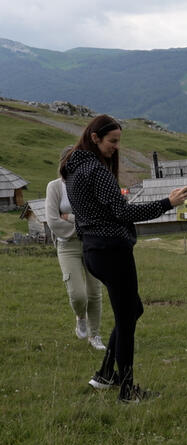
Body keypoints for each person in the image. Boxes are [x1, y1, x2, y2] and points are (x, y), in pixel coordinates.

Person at [62, 115, 187, 403]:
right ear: (95, 138)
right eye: (112, 141)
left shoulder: (74, 167)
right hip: (112, 250)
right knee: (127, 318)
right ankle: (127, 390)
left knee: (132, 309)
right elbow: (124, 213)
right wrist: (167, 203)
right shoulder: (96, 170)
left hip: (93, 250)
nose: (116, 148)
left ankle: (106, 374)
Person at [46, 147, 105, 351]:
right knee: (78, 294)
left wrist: (69, 217)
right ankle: (81, 316)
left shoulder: (89, 185)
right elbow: (53, 220)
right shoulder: (54, 187)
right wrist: (81, 226)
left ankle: (95, 335)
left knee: (94, 291)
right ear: (63, 164)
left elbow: (98, 216)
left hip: (92, 243)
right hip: (67, 245)